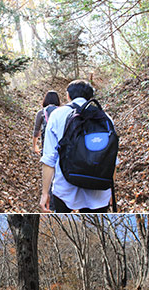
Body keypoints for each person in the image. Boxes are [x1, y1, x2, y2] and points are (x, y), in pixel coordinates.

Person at [40, 79, 117, 213]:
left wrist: (44, 193)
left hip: (65, 189)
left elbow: (49, 158)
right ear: (90, 96)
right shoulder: (106, 118)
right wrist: (110, 190)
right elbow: (112, 159)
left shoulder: (57, 115)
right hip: (99, 190)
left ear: (68, 95)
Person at [32, 90, 60, 156]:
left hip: (47, 147)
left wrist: (34, 146)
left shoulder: (41, 112)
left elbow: (36, 131)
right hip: (61, 146)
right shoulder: (63, 111)